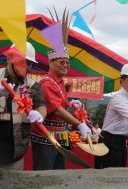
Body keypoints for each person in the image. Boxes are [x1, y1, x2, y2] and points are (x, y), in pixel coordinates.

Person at [30, 12, 92, 170]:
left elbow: (60, 104)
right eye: (61, 62)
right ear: (50, 63)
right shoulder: (47, 83)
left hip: (60, 136)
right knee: (45, 175)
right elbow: (56, 110)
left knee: (58, 175)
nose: (66, 65)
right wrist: (80, 125)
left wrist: (70, 103)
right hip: (47, 138)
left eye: (67, 63)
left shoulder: (60, 83)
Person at [0, 42, 47, 170]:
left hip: (15, 145)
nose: (27, 66)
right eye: (23, 61)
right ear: (9, 58)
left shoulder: (32, 85)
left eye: (29, 63)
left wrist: (39, 115)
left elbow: (41, 106)